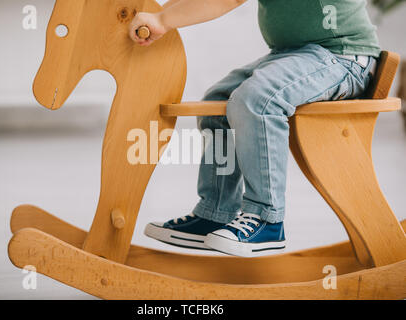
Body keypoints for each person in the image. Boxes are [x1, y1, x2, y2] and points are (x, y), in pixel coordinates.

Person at [128, 0, 380, 257]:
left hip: (341, 56)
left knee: (258, 101)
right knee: (216, 103)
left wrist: (163, 21)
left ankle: (267, 218)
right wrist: (160, 14)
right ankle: (216, 211)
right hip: (294, 55)